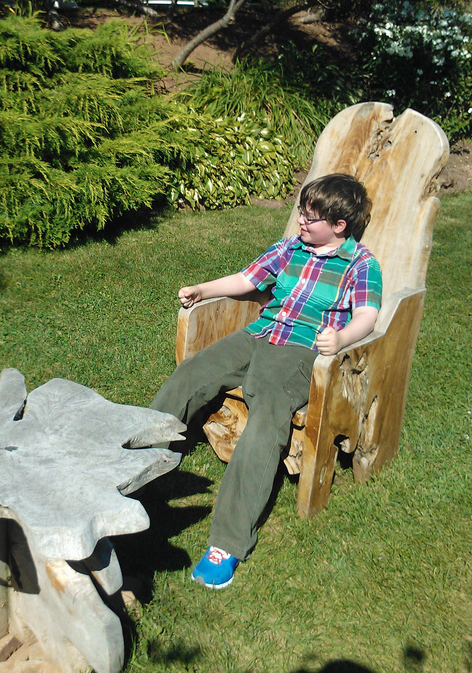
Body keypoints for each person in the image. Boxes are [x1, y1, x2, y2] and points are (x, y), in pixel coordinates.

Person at [150, 173, 381, 589]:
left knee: (265, 416)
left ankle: (227, 542)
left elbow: (368, 314)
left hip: (299, 352)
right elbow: (247, 280)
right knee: (190, 375)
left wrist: (342, 337)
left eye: (311, 218)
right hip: (258, 333)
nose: (301, 222)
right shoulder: (290, 248)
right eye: (301, 213)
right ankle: (136, 464)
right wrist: (203, 290)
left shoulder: (360, 264)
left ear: (339, 225)